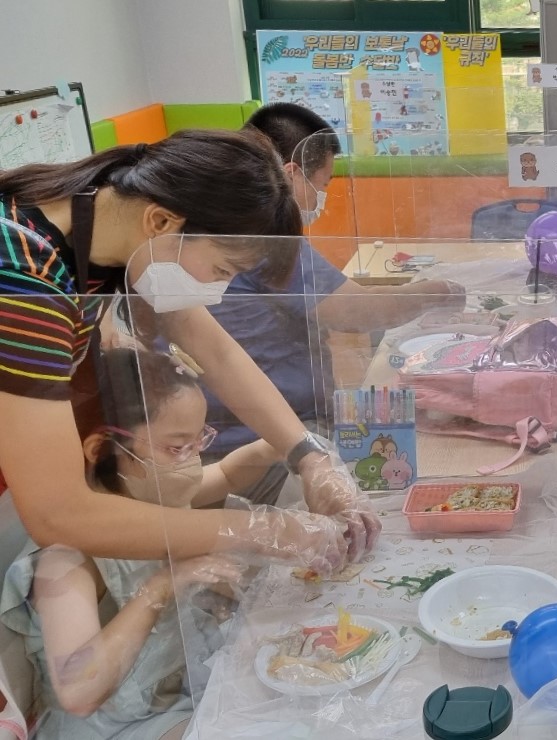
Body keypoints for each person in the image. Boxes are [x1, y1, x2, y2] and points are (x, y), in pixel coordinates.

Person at [0, 131, 378, 574]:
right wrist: (262, 530)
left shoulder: (108, 232)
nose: (217, 292)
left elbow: (212, 348)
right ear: (161, 222)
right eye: (221, 270)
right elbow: (58, 514)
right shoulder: (23, 279)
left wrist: (309, 456)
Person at [0, 348, 297, 739]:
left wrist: (288, 446)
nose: (192, 461)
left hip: (177, 697)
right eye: (177, 448)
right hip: (110, 727)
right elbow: (79, 692)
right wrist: (159, 587)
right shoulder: (67, 560)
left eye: (199, 441)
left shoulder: (154, 496)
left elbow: (226, 473)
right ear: (102, 448)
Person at [201, 103, 465, 504]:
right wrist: (439, 292)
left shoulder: (224, 222)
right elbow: (359, 312)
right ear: (289, 174)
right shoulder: (259, 237)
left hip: (255, 433)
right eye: (322, 185)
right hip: (259, 446)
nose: (322, 197)